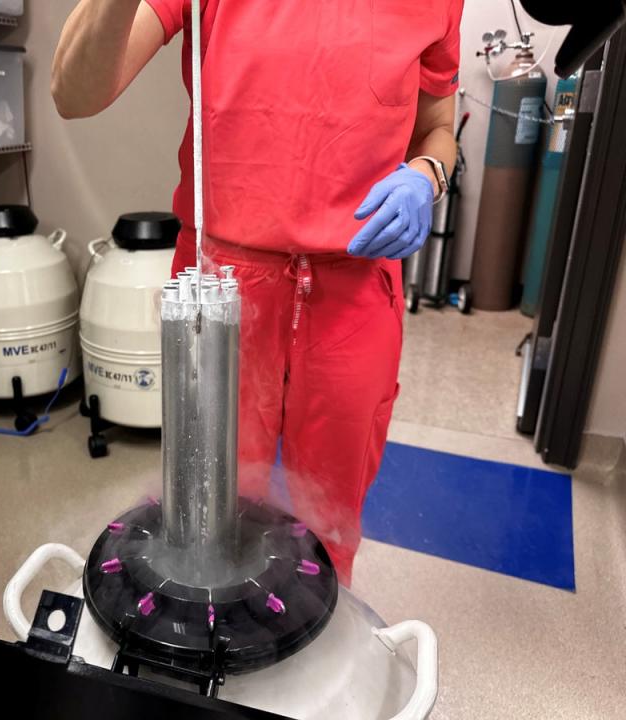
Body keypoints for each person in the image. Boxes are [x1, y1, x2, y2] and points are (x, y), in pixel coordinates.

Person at [53, 0, 462, 585]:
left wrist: (426, 174)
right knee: (210, 515)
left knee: (330, 523)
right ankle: (215, 653)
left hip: (355, 292)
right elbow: (75, 94)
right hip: (223, 286)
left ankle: (317, 649)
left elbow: (437, 129)